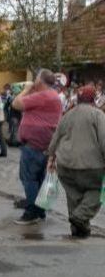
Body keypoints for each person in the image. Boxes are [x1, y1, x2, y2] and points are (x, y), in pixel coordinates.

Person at [47, 85, 105, 238]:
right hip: (91, 166)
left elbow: (55, 139)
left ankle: (78, 229)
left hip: (66, 164)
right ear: (93, 99)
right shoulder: (98, 115)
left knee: (74, 195)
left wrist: (51, 156)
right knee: (98, 191)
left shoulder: (67, 115)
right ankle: (80, 218)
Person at [11, 69, 63, 225]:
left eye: (36, 79)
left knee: (29, 178)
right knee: (39, 179)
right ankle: (40, 210)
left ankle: (32, 212)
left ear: (40, 81)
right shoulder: (53, 95)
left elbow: (16, 103)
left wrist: (26, 90)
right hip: (45, 143)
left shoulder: (43, 95)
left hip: (34, 144)